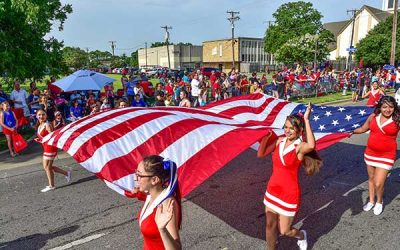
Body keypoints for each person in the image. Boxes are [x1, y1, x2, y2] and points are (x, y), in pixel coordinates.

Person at [257, 104, 322, 250]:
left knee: (284, 230)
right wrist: (265, 138)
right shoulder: (279, 141)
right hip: (272, 190)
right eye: (286, 127)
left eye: (291, 128)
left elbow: (311, 145)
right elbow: (261, 154)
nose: (287, 131)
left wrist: (306, 119)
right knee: (269, 225)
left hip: (289, 194)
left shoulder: (299, 147)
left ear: (299, 131)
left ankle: (301, 236)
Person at [352, 96, 400, 215]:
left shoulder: (397, 120)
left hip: (387, 155)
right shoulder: (373, 117)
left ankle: (379, 201)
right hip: (370, 154)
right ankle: (371, 201)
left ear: (395, 108)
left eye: (391, 107)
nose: (387, 110)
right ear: (380, 107)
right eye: (384, 107)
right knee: (371, 179)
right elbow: (363, 128)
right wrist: (350, 131)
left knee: (379, 182)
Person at [129, 155, 182, 250]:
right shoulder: (150, 194)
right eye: (136, 173)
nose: (135, 178)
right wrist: (138, 192)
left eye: (139, 175)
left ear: (154, 180)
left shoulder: (167, 204)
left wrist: (163, 230)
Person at [35, 109, 71, 192]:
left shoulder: (47, 125)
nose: (41, 116)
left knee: (48, 167)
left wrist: (42, 140)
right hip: (46, 147)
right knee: (46, 167)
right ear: (37, 116)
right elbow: (45, 137)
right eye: (39, 115)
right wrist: (39, 139)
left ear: (46, 115)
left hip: (50, 148)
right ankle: (67, 173)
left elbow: (52, 137)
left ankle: (51, 185)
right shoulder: (40, 125)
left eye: (43, 114)